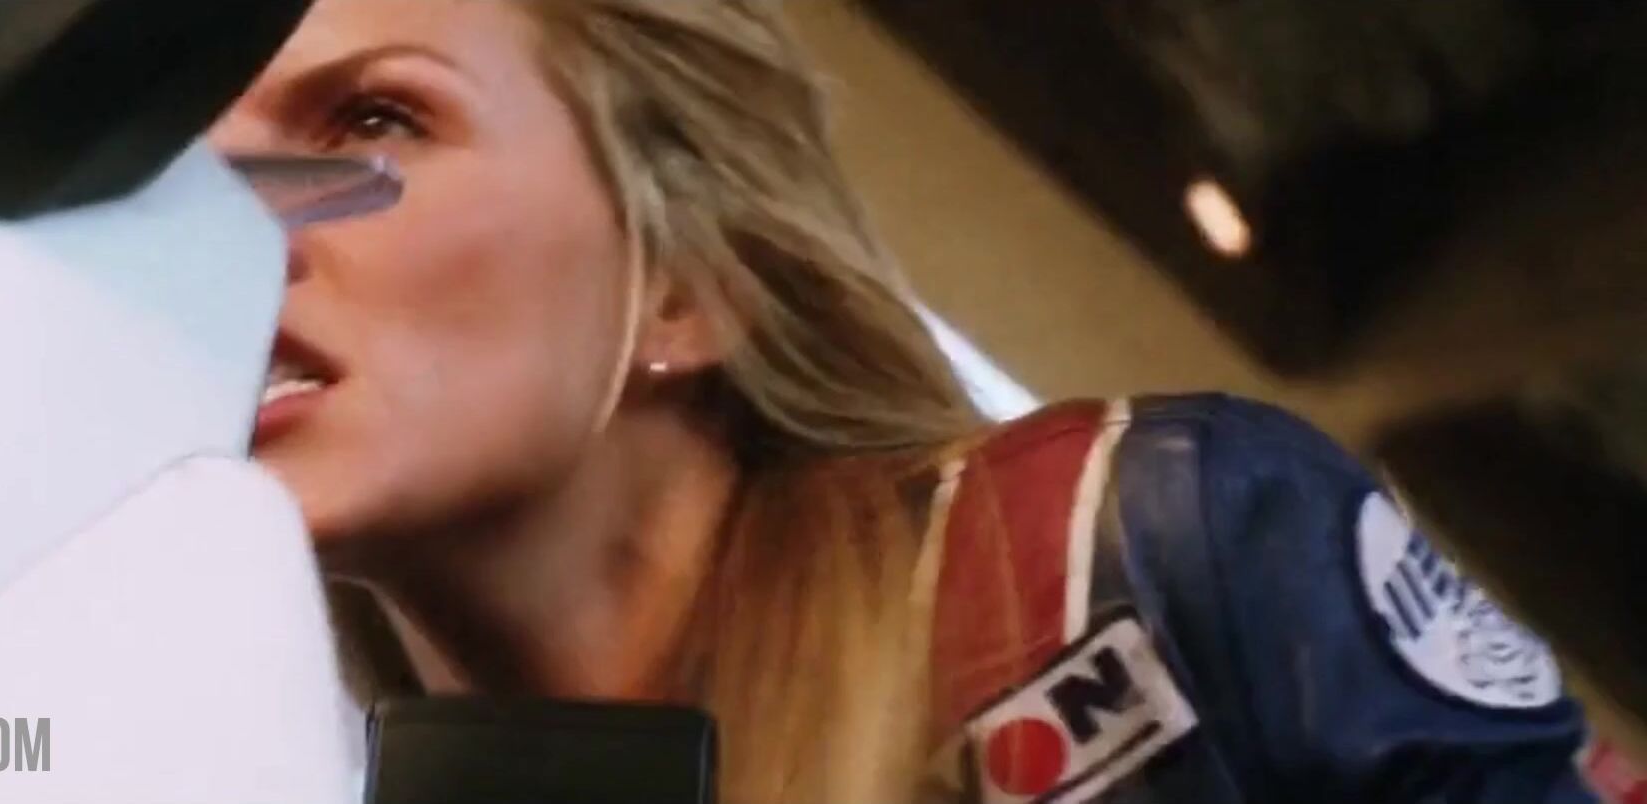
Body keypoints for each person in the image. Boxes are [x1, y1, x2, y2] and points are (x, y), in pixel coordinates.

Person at [209, 0, 1600, 801]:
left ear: (688, 281)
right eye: (191, 186)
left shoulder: (1133, 554)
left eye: (376, 122)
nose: (224, 233)